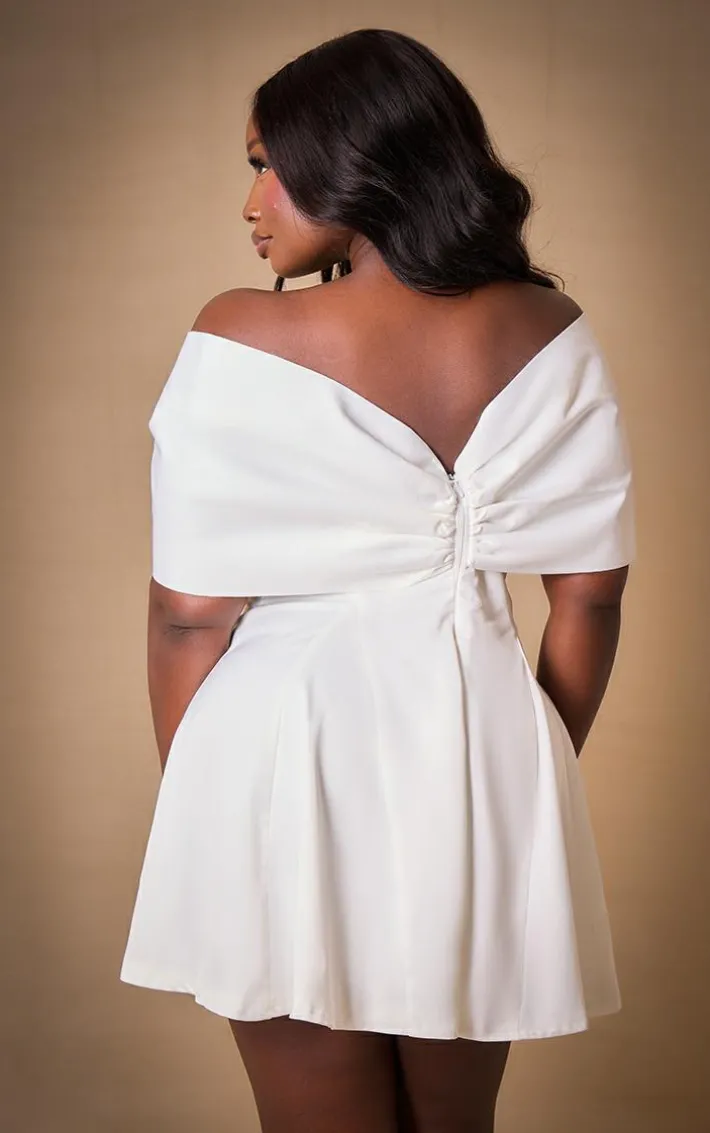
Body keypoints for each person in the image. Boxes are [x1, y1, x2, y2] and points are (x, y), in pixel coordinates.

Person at [120, 27, 636, 1133]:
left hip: (282, 754)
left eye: (266, 163)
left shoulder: (239, 331)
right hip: (479, 749)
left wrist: (206, 799)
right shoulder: (550, 330)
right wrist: (522, 766)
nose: (251, 201)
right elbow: (588, 596)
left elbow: (187, 618)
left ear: (347, 158)